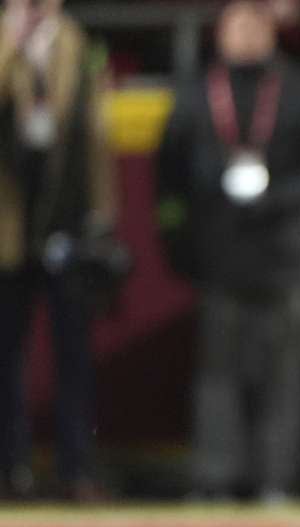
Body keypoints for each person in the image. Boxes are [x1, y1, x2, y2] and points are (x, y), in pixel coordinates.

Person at [155, 0, 300, 502]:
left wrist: (278, 199)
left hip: (281, 253)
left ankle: (276, 480)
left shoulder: (299, 87)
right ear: (220, 30)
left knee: (282, 376)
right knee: (218, 375)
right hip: (219, 253)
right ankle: (215, 480)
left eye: (257, 22)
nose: (248, 32)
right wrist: (179, 237)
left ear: (272, 30)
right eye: (238, 22)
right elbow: (168, 173)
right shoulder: (195, 92)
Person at [0, 0, 117, 500]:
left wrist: (102, 215)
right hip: (6, 224)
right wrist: (11, 49)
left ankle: (75, 469)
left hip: (65, 220)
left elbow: (97, 134)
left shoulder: (79, 42)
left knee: (74, 355)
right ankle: (10, 469)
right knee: (5, 356)